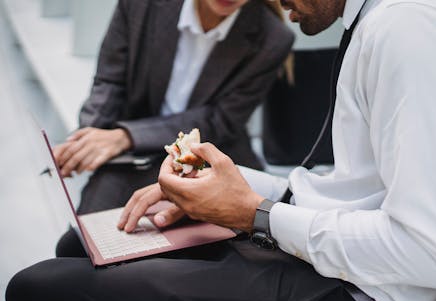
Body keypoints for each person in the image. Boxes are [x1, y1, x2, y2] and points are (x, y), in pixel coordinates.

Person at [6, 0, 436, 301]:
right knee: (78, 246)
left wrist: (254, 215)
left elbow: (431, 254)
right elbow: (359, 194)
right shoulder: (386, 19)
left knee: (35, 289)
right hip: (332, 270)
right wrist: (222, 188)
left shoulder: (410, 30)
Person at [52, 0, 294, 216]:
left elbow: (220, 121)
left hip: (209, 157)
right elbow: (111, 80)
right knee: (82, 243)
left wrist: (126, 137)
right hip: (137, 153)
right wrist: (86, 138)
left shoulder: (273, 37)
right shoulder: (141, 5)